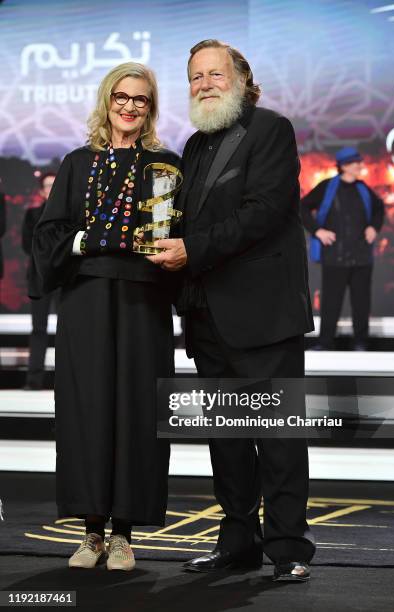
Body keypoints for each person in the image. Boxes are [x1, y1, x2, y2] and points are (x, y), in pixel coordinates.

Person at [147, 40, 316, 581]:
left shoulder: (271, 129)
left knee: (278, 438)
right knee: (227, 439)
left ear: (241, 76)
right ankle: (238, 540)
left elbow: (263, 212)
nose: (204, 84)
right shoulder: (193, 146)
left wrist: (191, 250)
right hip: (207, 316)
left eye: (215, 73)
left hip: (263, 314)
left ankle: (288, 548)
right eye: (195, 76)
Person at [29, 62, 181, 571]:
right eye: (123, 97)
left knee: (135, 410)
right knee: (87, 409)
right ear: (107, 100)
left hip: (143, 301)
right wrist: (84, 240)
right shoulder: (77, 162)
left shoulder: (164, 165)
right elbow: (50, 235)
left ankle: (123, 535)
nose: (131, 106)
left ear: (151, 107)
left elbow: (164, 237)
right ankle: (91, 532)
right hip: (87, 300)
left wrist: (124, 242)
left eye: (141, 99)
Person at [301, 147, 384, 350]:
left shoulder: (363, 188)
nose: (360, 166)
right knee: (331, 302)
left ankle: (361, 342)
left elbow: (379, 208)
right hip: (335, 257)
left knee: (361, 303)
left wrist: (374, 226)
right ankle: (325, 342)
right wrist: (317, 230)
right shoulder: (327, 187)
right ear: (345, 166)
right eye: (356, 163)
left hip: (361, 257)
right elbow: (302, 206)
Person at [22, 172, 56, 390]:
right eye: (47, 186)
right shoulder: (33, 214)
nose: (51, 189)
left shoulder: (72, 216)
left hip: (66, 278)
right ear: (42, 191)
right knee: (39, 328)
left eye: (55, 185)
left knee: (70, 329)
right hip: (40, 276)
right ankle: (34, 380)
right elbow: (27, 246)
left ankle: (69, 381)